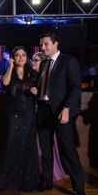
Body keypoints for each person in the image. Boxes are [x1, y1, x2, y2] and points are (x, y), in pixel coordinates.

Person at [35, 31, 88, 195]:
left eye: (46, 44)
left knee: (68, 151)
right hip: (43, 110)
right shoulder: (44, 64)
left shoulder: (68, 61)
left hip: (60, 112)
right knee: (46, 150)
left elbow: (75, 87)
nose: (43, 47)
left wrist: (66, 108)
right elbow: (45, 86)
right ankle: (46, 183)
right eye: (41, 44)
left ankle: (79, 190)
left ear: (56, 44)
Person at [0, 47, 39, 190]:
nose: (20, 57)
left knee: (27, 146)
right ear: (13, 58)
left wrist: (36, 91)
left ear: (27, 57)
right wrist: (11, 66)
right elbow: (4, 83)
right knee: (11, 145)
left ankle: (27, 182)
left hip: (29, 114)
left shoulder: (33, 73)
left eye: (23, 55)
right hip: (13, 114)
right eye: (17, 55)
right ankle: (7, 182)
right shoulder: (10, 73)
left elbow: (40, 91)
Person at [30, 52, 68, 183]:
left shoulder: (50, 72)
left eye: (36, 60)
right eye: (32, 60)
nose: (33, 63)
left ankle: (53, 176)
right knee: (42, 148)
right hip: (39, 113)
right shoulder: (34, 75)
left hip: (52, 112)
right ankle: (45, 180)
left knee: (54, 148)